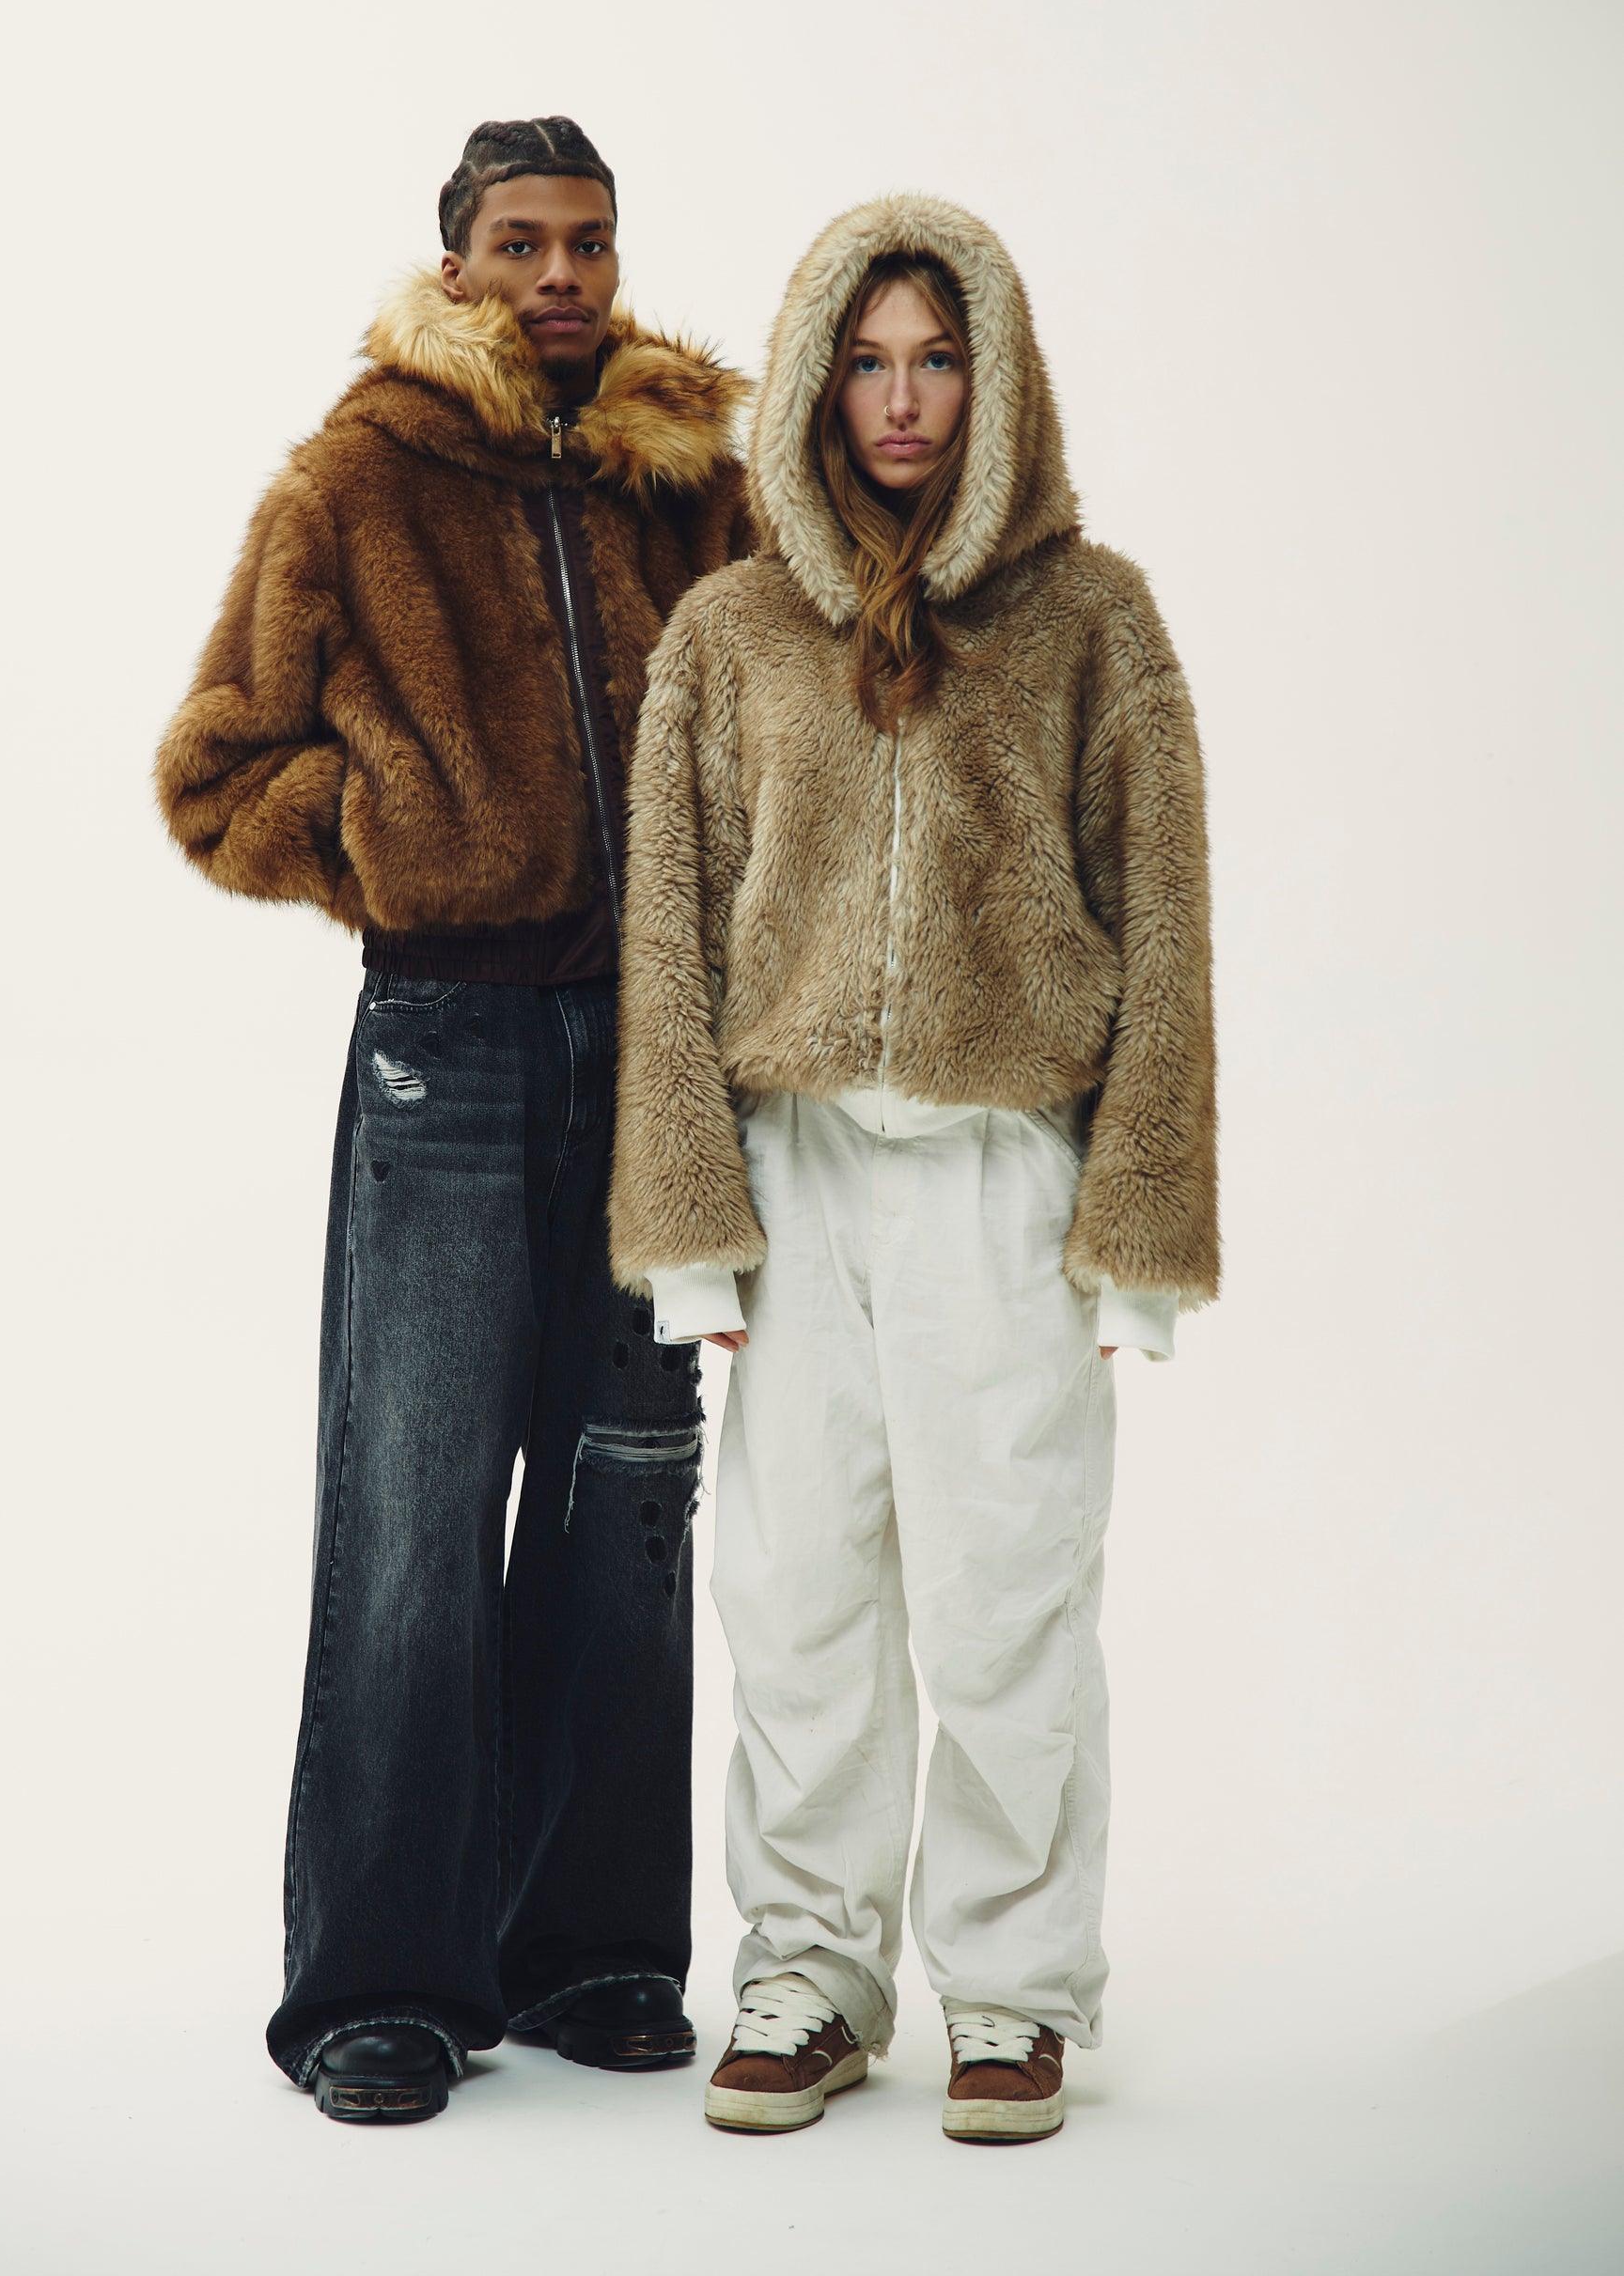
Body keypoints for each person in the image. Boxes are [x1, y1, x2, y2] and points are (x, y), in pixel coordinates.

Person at [156, 118, 749, 2123]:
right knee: (411, 1508)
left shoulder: (691, 480)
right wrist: (403, 842)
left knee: (624, 1507)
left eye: (589, 240)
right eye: (520, 242)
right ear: (458, 265)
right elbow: (216, 774)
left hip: (656, 1054)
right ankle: (382, 1984)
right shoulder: (357, 479)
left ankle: (593, 1950)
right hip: (449, 1049)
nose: (560, 273)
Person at [609, 195, 1217, 2143]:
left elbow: (1162, 921)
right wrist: (689, 1232)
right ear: (810, 378)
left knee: (1005, 1593)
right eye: (865, 360)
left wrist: (1135, 1235)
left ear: (995, 379)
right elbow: (670, 937)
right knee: (794, 1598)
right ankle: (807, 1969)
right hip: (793, 1178)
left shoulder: (1092, 618)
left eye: (936, 360)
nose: (899, 398)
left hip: (999, 1182)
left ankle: (1014, 1988)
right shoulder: (726, 633)